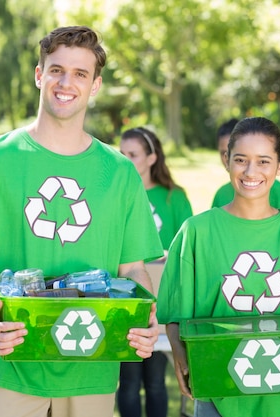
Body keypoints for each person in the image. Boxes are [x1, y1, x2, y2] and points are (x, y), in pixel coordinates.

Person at [0, 26, 164, 417]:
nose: (66, 82)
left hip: (91, 365)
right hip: (11, 361)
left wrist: (147, 317)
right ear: (38, 74)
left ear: (95, 85)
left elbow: (132, 269)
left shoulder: (119, 172)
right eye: (57, 69)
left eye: (80, 74)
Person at [157, 116, 280, 417]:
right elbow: (175, 312)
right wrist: (180, 356)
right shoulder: (197, 232)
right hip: (220, 386)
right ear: (227, 161)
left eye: (263, 161)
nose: (250, 171)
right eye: (241, 159)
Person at [118, 127, 193, 417]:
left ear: (151, 158)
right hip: (126, 297)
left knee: (156, 382)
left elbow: (188, 248)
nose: (125, 160)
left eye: (133, 155)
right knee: (127, 383)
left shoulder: (173, 197)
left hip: (161, 300)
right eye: (121, 154)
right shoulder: (118, 195)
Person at [211, 118, 280, 210]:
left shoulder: (276, 189)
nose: (250, 173)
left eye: (262, 161)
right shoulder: (221, 194)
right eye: (240, 159)